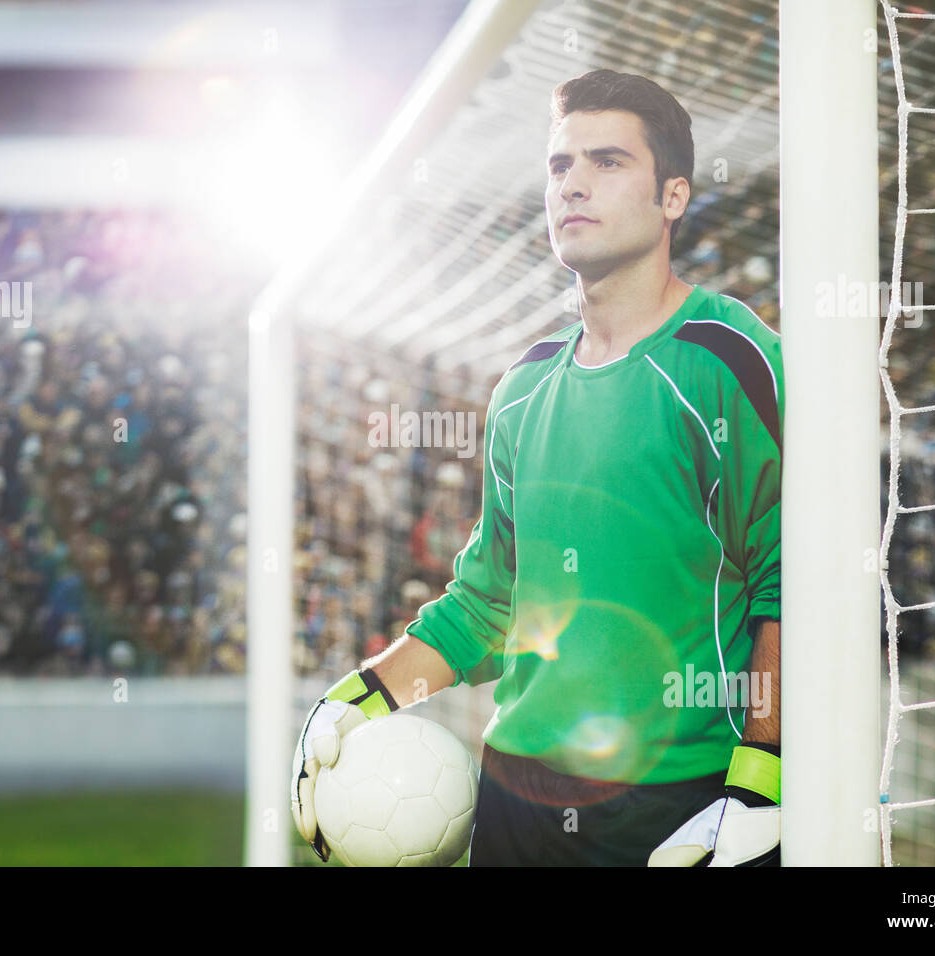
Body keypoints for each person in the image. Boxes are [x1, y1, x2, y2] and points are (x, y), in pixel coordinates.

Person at [293, 69, 783, 866]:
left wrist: (763, 781)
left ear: (673, 197)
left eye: (608, 162)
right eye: (560, 166)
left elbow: (791, 576)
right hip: (516, 801)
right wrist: (363, 694)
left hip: (679, 806)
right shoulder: (523, 388)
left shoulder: (727, 359)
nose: (575, 184)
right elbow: (491, 604)